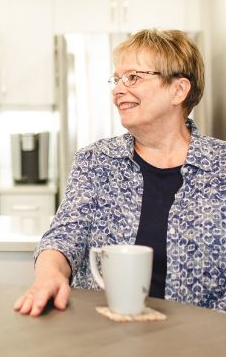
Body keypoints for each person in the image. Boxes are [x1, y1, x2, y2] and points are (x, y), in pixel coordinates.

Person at [14, 29, 226, 316]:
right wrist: (49, 273)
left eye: (133, 77)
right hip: (105, 336)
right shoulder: (96, 160)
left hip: (201, 347)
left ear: (178, 90)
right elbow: (64, 236)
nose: (117, 90)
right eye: (117, 79)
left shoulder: (220, 167)